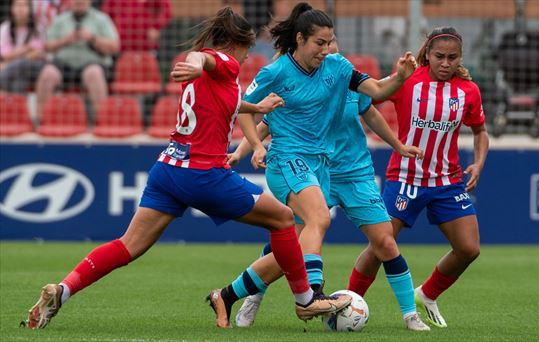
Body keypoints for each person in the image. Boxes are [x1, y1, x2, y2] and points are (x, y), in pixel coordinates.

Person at [22, 6, 351, 330]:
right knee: (282, 219)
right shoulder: (220, 61)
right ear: (233, 44)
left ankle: (63, 291)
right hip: (203, 173)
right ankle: (306, 299)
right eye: (247, 49)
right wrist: (194, 63)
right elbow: (203, 60)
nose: (246, 57)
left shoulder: (210, 78)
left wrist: (258, 106)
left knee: (128, 245)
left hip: (168, 169)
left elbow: (225, 100)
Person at [204, 2, 425, 329]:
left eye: (330, 41)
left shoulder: (338, 67)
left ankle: (227, 294)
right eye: (320, 43)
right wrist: (253, 146)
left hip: (321, 165)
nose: (327, 49)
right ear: (300, 39)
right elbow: (247, 111)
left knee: (288, 253)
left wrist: (400, 77)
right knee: (319, 218)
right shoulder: (276, 71)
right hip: (286, 160)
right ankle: (311, 296)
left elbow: (378, 91)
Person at [345, 26, 489, 329]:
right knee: (380, 246)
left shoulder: (468, 91)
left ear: (460, 58)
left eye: (452, 58)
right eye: (439, 56)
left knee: (469, 249)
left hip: (447, 182)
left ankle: (427, 293)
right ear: (428, 54)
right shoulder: (408, 80)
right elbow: (370, 98)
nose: (446, 63)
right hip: (405, 178)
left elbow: (480, 131)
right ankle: (346, 304)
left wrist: (478, 162)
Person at [34, 0, 119, 118]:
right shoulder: (60, 20)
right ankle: (40, 120)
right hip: (64, 64)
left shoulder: (101, 19)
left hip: (92, 62)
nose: (79, 2)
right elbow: (47, 46)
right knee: (47, 73)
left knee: (94, 73)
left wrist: (92, 38)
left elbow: (114, 47)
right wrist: (65, 40)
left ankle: (102, 119)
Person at [0, 0, 46, 93]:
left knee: (23, 63)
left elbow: (37, 53)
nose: (21, 9)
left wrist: (12, 59)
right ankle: (15, 106)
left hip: (35, 68)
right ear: (11, 9)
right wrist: (26, 48)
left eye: (24, 5)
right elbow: (6, 55)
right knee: (19, 79)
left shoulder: (38, 27)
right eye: (17, 5)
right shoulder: (5, 28)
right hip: (17, 72)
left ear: (30, 9)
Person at [101, 0, 172, 54]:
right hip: (121, 46)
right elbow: (105, 15)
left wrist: (156, 27)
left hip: (146, 45)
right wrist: (111, 32)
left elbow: (166, 10)